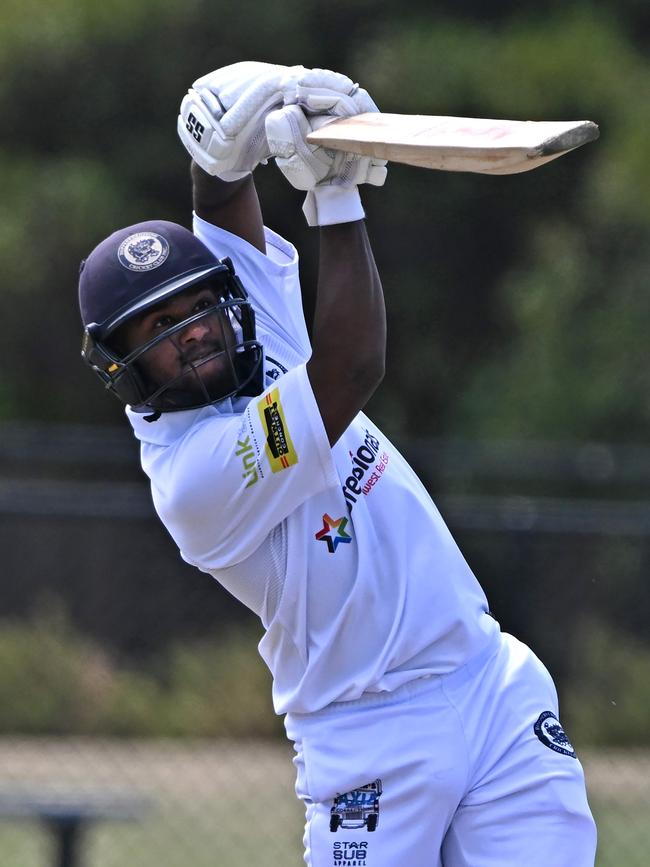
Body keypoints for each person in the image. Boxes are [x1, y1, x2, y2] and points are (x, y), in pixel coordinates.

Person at [78, 61, 597, 867]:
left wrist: (224, 145)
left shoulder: (254, 325)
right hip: (369, 738)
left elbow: (220, 201)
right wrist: (336, 193)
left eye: (196, 307)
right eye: (160, 329)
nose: (194, 332)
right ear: (124, 369)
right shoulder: (194, 476)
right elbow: (352, 366)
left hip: (490, 680)